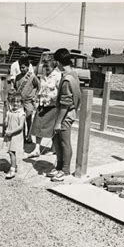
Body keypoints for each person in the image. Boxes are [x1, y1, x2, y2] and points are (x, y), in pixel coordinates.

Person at [49, 48, 81, 182]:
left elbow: (65, 103)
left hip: (66, 114)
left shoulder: (67, 79)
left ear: (58, 62)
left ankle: (65, 170)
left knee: (64, 142)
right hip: (66, 112)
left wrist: (58, 122)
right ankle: (59, 166)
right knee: (56, 140)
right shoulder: (72, 73)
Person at [29, 58, 63, 158]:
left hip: (52, 106)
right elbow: (41, 88)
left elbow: (59, 91)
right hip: (42, 104)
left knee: (52, 128)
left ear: (53, 67)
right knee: (37, 125)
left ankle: (54, 148)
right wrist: (37, 98)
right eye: (45, 66)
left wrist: (55, 99)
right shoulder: (43, 76)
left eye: (48, 66)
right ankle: (37, 149)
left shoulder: (57, 76)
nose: (46, 68)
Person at [14, 56, 40, 144]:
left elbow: (39, 86)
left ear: (28, 67)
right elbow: (15, 87)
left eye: (23, 67)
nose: (22, 69)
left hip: (29, 102)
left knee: (28, 120)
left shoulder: (32, 76)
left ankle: (29, 137)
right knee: (20, 120)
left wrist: (35, 96)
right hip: (20, 102)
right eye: (20, 67)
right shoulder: (17, 77)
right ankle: (22, 137)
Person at [2, 93, 26, 179]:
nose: (16, 103)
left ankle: (12, 170)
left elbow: (20, 127)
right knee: (9, 151)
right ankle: (13, 165)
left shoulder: (21, 113)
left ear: (21, 103)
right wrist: (6, 121)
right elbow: (6, 122)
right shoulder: (10, 111)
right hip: (9, 134)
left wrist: (12, 132)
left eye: (18, 102)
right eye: (14, 102)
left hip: (15, 135)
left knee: (12, 152)